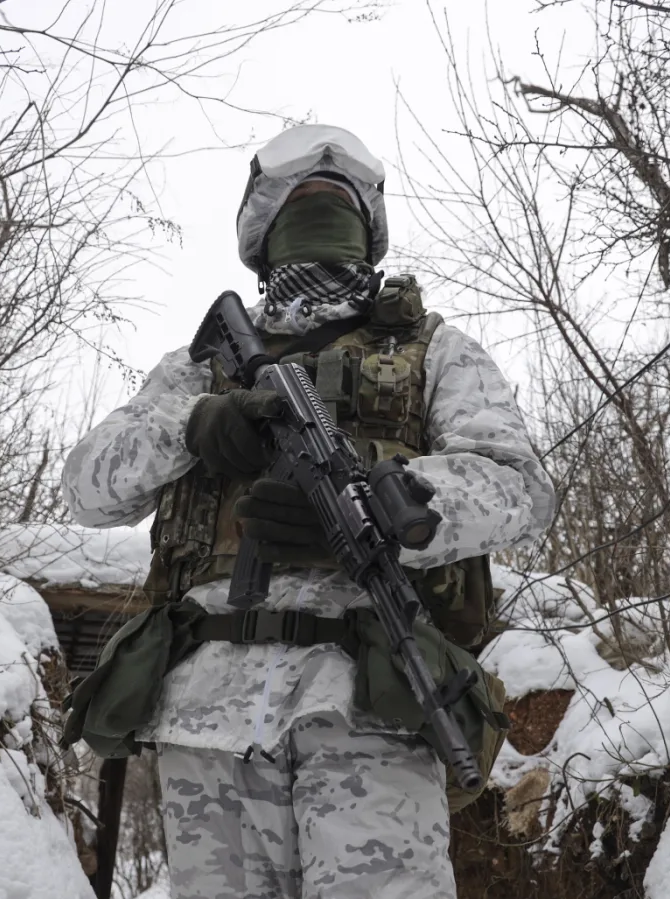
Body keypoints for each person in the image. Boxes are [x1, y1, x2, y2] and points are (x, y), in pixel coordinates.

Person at [61, 124, 555, 899]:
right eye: (303, 204)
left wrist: (391, 503)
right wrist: (194, 425)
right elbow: (87, 489)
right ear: (264, 228)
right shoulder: (200, 367)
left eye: (337, 206)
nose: (321, 223)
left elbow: (520, 486)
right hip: (206, 717)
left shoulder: (435, 350)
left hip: (369, 702)